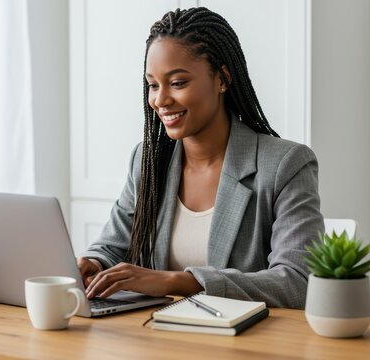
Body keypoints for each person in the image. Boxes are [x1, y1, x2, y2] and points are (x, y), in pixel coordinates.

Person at [78, 7, 323, 309]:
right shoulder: (148, 161)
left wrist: (179, 281)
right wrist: (95, 262)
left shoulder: (286, 165)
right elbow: (113, 245)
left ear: (221, 79)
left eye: (178, 83)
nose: (160, 100)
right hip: (156, 338)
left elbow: (297, 282)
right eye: (153, 85)